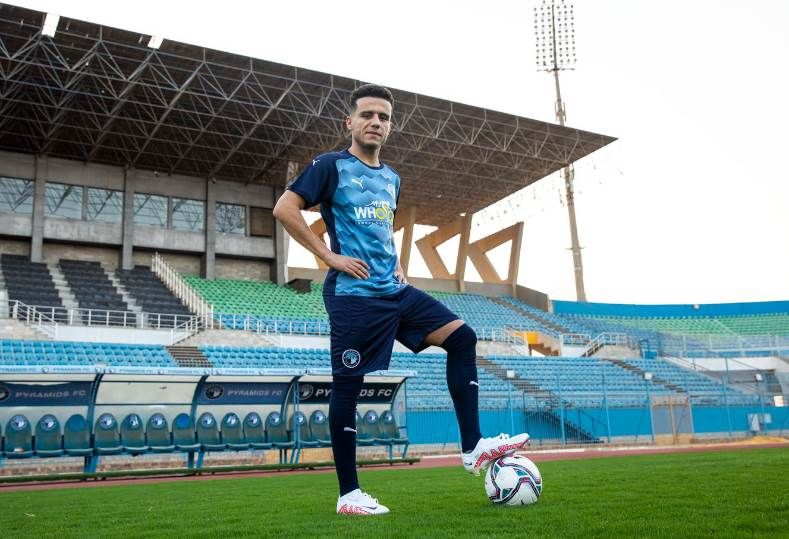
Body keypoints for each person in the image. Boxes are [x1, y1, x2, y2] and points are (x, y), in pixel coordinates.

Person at [272, 83, 529, 515]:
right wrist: (329, 256)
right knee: (349, 388)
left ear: (390, 126)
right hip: (354, 296)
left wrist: (398, 264)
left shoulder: (392, 178)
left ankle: (472, 447)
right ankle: (349, 495)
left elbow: (378, 229)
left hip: (394, 290)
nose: (376, 122)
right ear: (349, 122)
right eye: (367, 115)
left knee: (462, 337)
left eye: (384, 117)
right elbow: (285, 208)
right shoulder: (330, 166)